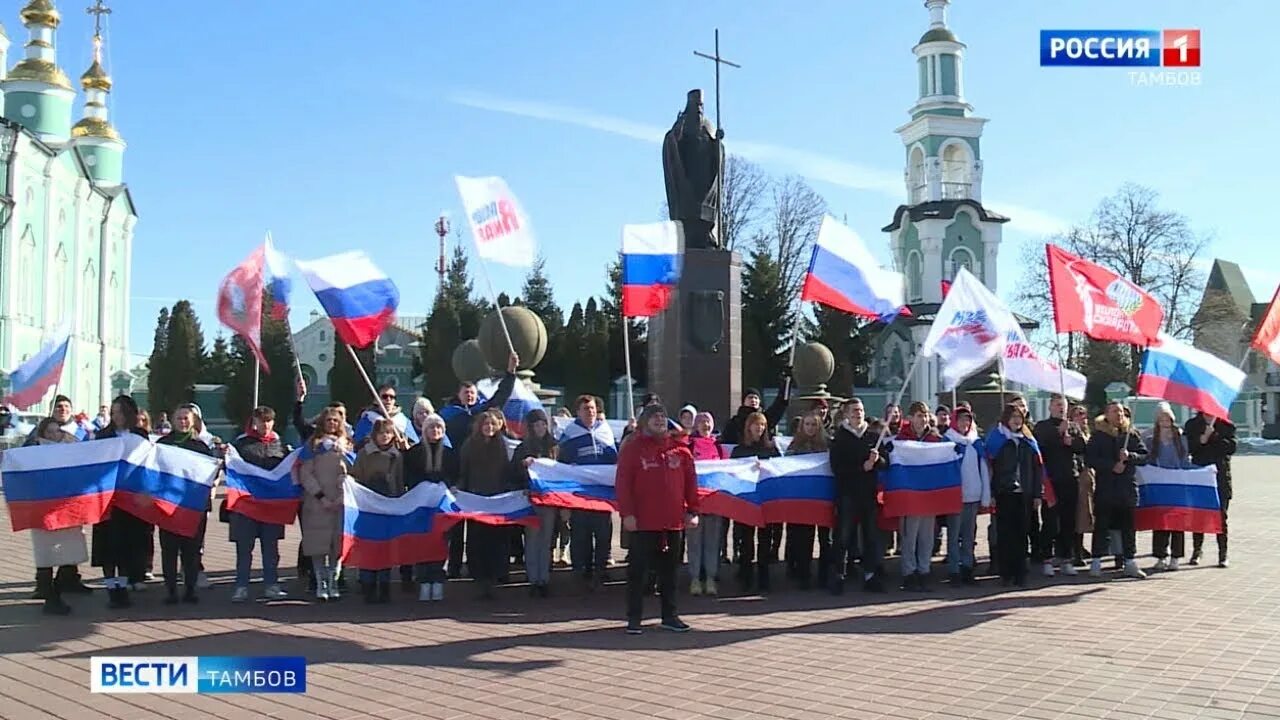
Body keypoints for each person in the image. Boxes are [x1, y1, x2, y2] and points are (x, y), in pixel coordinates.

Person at [617, 404, 699, 635]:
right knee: (638, 572)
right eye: (654, 417)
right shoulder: (633, 449)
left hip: (672, 522)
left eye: (663, 416)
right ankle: (634, 618)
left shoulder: (680, 450)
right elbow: (623, 484)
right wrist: (627, 514)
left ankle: (669, 616)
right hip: (643, 522)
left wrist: (693, 510)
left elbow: (691, 483)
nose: (659, 420)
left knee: (670, 573)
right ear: (645, 422)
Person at [439, 352, 520, 578]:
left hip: (483, 478)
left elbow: (501, 395)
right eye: (466, 392)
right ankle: (454, 567)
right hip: (458, 473)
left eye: (473, 392)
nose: (470, 395)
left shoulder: (483, 413)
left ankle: (490, 568)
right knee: (456, 526)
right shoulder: (447, 416)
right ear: (459, 395)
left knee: (486, 527)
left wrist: (510, 373)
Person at [24, 395, 95, 613]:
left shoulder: (74, 439)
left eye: (57, 431)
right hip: (43, 507)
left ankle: (63, 584)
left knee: (70, 549)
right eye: (50, 431)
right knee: (46, 552)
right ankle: (48, 593)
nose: (54, 434)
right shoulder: (34, 447)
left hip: (66, 507)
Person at [90, 395, 152, 609]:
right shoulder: (103, 435)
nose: (116, 416)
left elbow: (146, 463)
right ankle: (111, 588)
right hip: (107, 497)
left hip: (130, 498)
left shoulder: (140, 435)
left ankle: (124, 586)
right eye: (113, 412)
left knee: (128, 544)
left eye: (120, 412)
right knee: (107, 544)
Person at [156, 405, 217, 604]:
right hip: (168, 505)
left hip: (193, 506)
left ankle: (190, 589)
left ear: (192, 421)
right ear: (173, 421)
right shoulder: (163, 445)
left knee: (192, 550)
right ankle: (171, 590)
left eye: (186, 418)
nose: (183, 422)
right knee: (169, 550)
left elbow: (211, 474)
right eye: (179, 418)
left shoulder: (201, 446)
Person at [228, 406, 290, 603]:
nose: (265, 425)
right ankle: (241, 586)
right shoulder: (241, 444)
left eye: (269, 421)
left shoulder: (279, 445)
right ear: (254, 422)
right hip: (246, 505)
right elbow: (231, 464)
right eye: (262, 421)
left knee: (271, 548)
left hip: (271, 506)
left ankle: (271, 584)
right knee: (244, 548)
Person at [557, 394, 619, 591]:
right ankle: (580, 572)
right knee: (580, 535)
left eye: (592, 408)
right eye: (586, 409)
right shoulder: (570, 434)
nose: (590, 412)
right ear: (578, 412)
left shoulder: (605, 431)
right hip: (580, 495)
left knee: (602, 534)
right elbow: (562, 466)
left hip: (601, 496)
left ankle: (600, 571)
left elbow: (614, 460)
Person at [883, 401, 946, 592]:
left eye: (925, 415)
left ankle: (924, 570)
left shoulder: (935, 438)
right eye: (919, 415)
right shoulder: (901, 439)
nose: (923, 419)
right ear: (910, 418)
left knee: (927, 535)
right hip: (909, 494)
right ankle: (909, 572)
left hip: (928, 494)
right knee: (909, 536)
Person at [828, 398, 886, 594]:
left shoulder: (873, 436)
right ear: (846, 414)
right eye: (854, 410)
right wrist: (861, 467)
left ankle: (870, 575)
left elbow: (885, 463)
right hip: (847, 494)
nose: (858, 413)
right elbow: (837, 467)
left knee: (870, 536)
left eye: (860, 410)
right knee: (843, 536)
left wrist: (877, 460)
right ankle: (838, 575)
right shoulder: (839, 438)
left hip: (868, 495)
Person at [1086, 400, 1149, 579]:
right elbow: (1090, 459)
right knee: (1102, 526)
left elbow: (1145, 456)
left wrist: (1130, 456)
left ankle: (1129, 561)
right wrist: (1111, 466)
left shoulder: (1131, 434)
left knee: (1128, 528)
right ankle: (1096, 561)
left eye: (1121, 411)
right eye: (1115, 411)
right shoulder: (1099, 436)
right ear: (1107, 414)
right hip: (1106, 489)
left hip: (1127, 489)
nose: (1119, 414)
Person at [459, 409, 517, 599]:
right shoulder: (469, 445)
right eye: (486, 424)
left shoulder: (505, 445)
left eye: (493, 424)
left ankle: (497, 574)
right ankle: (479, 575)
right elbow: (464, 471)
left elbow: (510, 470)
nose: (489, 427)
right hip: (476, 498)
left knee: (498, 539)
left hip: (499, 499)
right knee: (477, 539)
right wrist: (460, 489)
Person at [298, 407, 354, 601]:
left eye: (335, 420)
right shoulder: (313, 445)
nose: (332, 423)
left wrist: (341, 496)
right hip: (317, 504)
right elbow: (305, 473)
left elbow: (354, 472)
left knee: (337, 547)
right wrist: (321, 496)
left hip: (340, 503)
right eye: (328, 420)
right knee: (318, 545)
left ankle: (333, 582)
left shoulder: (347, 445)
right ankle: (320, 583)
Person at [401, 413, 458, 601]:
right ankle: (424, 580)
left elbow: (456, 477)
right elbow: (408, 477)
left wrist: (447, 484)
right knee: (422, 542)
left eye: (438, 427)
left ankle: (438, 579)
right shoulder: (414, 453)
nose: (435, 430)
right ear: (425, 430)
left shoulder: (450, 454)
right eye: (431, 427)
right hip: (421, 507)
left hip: (442, 508)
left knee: (441, 542)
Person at [987, 403, 1044, 587]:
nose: (1017, 421)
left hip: (1024, 494)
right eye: (1013, 417)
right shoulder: (997, 439)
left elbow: (1037, 468)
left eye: (1019, 417)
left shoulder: (1028, 440)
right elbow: (990, 468)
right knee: (1005, 534)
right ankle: (1006, 573)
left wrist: (1037, 494)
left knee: (1022, 534)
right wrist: (992, 492)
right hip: (1005, 492)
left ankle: (1021, 572)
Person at [350, 418, 405, 603]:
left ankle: (384, 586)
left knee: (385, 547)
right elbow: (356, 476)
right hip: (368, 504)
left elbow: (399, 481)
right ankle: (368, 585)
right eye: (381, 433)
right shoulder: (365, 453)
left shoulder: (396, 456)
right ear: (375, 435)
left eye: (388, 433)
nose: (385, 436)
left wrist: (398, 501)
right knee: (368, 546)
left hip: (388, 504)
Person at [1032, 395, 1087, 578]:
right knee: (1050, 521)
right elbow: (1040, 447)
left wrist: (1071, 441)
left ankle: (1066, 558)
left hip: (1070, 478)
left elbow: (1083, 447)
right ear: (1050, 407)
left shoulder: (1073, 427)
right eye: (1057, 405)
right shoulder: (1042, 427)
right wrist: (1058, 434)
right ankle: (1047, 558)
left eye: (1063, 405)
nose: (1061, 408)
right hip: (1051, 480)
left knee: (1068, 521)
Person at [730, 412, 781, 592]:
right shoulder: (739, 450)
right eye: (756, 424)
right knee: (746, 539)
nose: (759, 428)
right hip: (746, 499)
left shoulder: (772, 450)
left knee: (765, 539)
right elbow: (732, 473)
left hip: (766, 499)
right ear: (748, 427)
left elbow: (778, 471)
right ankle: (745, 575)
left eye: (762, 425)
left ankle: (763, 576)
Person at [511, 409, 558, 598]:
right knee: (531, 540)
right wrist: (523, 469)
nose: (540, 428)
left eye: (543, 424)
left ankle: (544, 579)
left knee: (546, 540)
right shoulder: (523, 448)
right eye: (536, 425)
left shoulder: (554, 446)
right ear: (530, 427)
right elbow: (513, 473)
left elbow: (561, 471)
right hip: (530, 499)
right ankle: (533, 578)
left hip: (550, 499)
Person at [1144, 402, 1193, 572]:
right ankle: (1160, 556)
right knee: (1160, 522)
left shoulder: (1181, 439)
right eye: (1161, 419)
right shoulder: (1150, 440)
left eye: (1167, 418)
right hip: (1159, 486)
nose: (1164, 422)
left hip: (1177, 484)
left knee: (1177, 522)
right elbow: (1146, 460)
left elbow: (1185, 461)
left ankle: (1175, 557)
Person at [784, 412, 830, 590]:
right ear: (802, 426)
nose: (810, 428)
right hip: (803, 498)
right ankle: (804, 575)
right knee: (804, 539)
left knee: (826, 539)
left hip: (824, 497)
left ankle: (824, 575)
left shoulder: (828, 444)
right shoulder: (795, 446)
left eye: (814, 425)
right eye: (807, 424)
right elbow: (786, 467)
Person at [945, 406, 989, 585]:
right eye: (962, 419)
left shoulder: (976, 442)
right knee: (954, 535)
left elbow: (983, 469)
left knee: (969, 535)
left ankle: (967, 567)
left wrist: (985, 493)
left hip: (973, 494)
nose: (965, 423)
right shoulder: (948, 441)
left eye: (968, 420)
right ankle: (954, 570)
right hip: (956, 496)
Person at [1185, 411, 1236, 568]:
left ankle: (1223, 554)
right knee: (1198, 514)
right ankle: (1197, 550)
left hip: (1220, 476)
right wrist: (1201, 439)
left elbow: (1231, 447)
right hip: (1200, 476)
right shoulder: (1193, 424)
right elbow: (1188, 448)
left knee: (1221, 516)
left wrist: (1214, 436)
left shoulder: (1226, 425)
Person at [684, 411, 727, 595]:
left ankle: (710, 578)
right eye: (701, 422)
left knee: (713, 542)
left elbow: (728, 471)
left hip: (714, 502)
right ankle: (695, 578)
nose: (705, 425)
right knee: (694, 542)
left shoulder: (719, 447)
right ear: (696, 425)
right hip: (694, 503)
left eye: (708, 422)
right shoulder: (689, 445)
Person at [721, 372, 793, 445]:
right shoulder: (734, 422)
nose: (753, 400)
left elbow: (780, 404)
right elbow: (726, 443)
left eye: (756, 398)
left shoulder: (766, 418)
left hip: (762, 450)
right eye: (750, 397)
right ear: (743, 401)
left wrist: (786, 384)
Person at [353, 383, 419, 449]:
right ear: (376, 400)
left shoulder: (404, 421)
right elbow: (357, 444)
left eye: (392, 397)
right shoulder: (367, 419)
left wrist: (407, 447)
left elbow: (415, 446)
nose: (388, 399)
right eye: (384, 396)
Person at [1071, 404, 1095, 566]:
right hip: (1078, 475)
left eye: (1084, 414)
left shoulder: (1088, 433)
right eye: (1078, 414)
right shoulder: (1072, 433)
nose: (1082, 417)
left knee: (1087, 513)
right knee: (1079, 514)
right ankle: (1076, 550)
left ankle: (1081, 547)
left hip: (1089, 474)